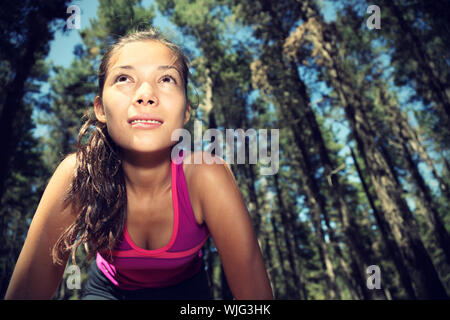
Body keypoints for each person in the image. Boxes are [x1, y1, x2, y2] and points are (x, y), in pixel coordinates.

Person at [5, 27, 273, 300]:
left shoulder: (206, 176)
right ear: (100, 109)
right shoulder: (78, 175)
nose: (146, 94)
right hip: (108, 291)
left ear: (186, 112)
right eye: (124, 78)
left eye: (166, 79)